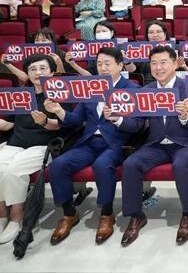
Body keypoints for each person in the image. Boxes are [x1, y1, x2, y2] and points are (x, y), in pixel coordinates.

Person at [108, 46, 188, 246]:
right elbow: (136, 124)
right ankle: (136, 215)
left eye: (164, 62)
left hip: (183, 143)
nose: (158, 67)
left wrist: (184, 116)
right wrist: (117, 119)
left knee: (181, 166)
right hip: (155, 144)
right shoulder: (145, 91)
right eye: (154, 63)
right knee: (131, 164)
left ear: (175, 64)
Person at [44, 47, 138, 245]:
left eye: (108, 63)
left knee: (102, 165)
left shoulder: (131, 88)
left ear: (120, 65)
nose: (103, 67)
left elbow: (136, 126)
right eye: (99, 64)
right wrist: (59, 111)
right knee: (58, 165)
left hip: (115, 143)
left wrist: (117, 119)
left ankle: (106, 213)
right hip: (88, 143)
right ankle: (69, 214)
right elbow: (75, 120)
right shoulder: (90, 88)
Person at [0, 54, 63, 244]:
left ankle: (17, 217)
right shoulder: (20, 94)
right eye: (33, 69)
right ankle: (2, 213)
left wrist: (45, 121)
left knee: (13, 172)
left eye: (43, 68)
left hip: (42, 145)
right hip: (16, 142)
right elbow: (9, 124)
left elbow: (62, 125)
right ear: (27, 73)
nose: (38, 73)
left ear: (52, 72)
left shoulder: (59, 94)